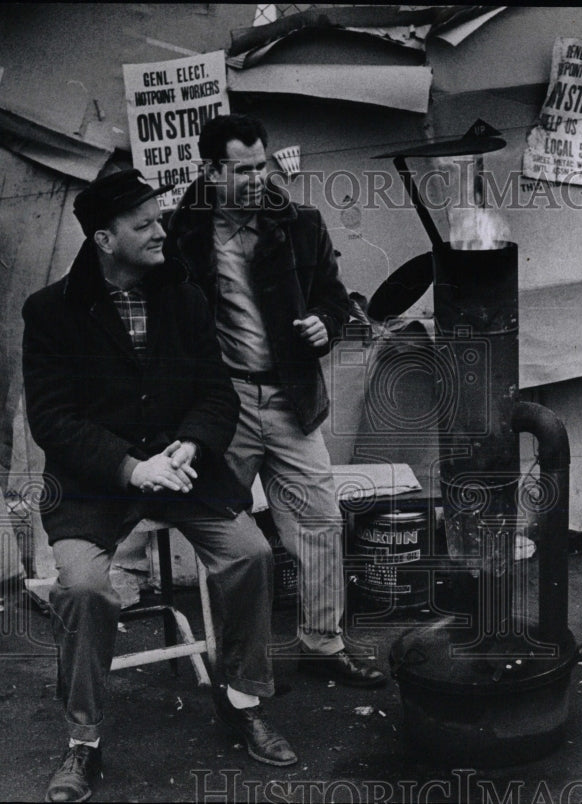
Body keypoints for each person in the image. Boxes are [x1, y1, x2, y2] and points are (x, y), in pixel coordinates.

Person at [23, 170, 297, 803]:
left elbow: (216, 394)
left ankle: (241, 697)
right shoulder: (50, 311)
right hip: (95, 484)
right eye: (143, 224)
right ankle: (83, 741)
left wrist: (193, 444)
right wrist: (129, 467)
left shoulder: (185, 297)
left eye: (159, 219)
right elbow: (52, 421)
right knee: (86, 589)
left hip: (183, 470)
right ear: (103, 237)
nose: (159, 232)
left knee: (251, 555)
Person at [165, 114, 385, 687]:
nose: (257, 179)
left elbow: (336, 300)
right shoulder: (179, 234)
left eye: (261, 165)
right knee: (226, 530)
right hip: (222, 401)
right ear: (211, 171)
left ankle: (322, 643)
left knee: (319, 518)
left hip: (291, 394)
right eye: (242, 170)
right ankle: (242, 660)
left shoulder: (301, 224)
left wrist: (325, 325)